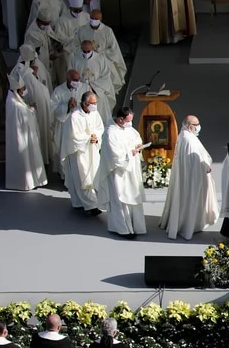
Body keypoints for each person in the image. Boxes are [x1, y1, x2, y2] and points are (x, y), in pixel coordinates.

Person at [159, 116, 219, 240]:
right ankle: (190, 225)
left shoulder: (184, 135)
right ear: (190, 126)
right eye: (196, 124)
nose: (198, 126)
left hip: (186, 176)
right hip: (193, 177)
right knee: (191, 199)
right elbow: (194, 162)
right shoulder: (188, 140)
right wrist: (206, 168)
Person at [96, 106, 147, 238]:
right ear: (120, 119)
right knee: (120, 199)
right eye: (128, 120)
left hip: (131, 171)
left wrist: (138, 146)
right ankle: (123, 229)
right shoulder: (110, 133)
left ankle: (136, 226)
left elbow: (136, 138)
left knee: (133, 196)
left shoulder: (127, 128)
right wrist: (131, 153)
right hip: (119, 173)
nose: (130, 123)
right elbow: (115, 155)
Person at [60, 91, 104, 215]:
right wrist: (88, 138)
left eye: (96, 103)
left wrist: (96, 137)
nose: (95, 105)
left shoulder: (95, 113)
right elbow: (74, 136)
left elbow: (100, 127)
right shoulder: (74, 116)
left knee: (93, 174)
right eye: (92, 103)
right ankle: (91, 205)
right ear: (85, 103)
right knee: (82, 177)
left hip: (92, 150)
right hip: (79, 152)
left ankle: (81, 202)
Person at [5, 74, 49, 191]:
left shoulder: (11, 98)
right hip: (22, 137)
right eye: (23, 89)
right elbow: (26, 118)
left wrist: (28, 108)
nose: (25, 90)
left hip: (19, 135)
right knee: (26, 159)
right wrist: (32, 110)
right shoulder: (16, 105)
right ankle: (26, 182)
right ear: (17, 90)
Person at [10, 46, 54, 167]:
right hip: (32, 109)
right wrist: (31, 108)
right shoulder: (25, 73)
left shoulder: (26, 71)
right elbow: (30, 92)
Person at [50, 70, 90, 177]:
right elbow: (52, 107)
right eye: (74, 80)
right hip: (64, 124)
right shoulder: (58, 90)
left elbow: (90, 103)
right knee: (64, 148)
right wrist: (66, 106)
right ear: (68, 79)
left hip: (80, 124)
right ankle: (64, 175)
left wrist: (80, 105)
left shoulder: (85, 88)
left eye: (78, 80)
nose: (77, 82)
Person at [69, 38, 117, 119]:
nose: (86, 53)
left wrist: (92, 86)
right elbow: (70, 75)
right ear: (81, 49)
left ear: (92, 49)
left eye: (88, 51)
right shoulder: (75, 59)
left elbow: (106, 76)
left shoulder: (101, 59)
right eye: (84, 51)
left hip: (97, 92)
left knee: (100, 116)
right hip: (81, 92)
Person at [77, 11, 127, 88]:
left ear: (100, 19)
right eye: (92, 18)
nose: (93, 20)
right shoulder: (82, 30)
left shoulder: (107, 31)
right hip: (86, 59)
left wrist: (101, 52)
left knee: (107, 80)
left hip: (103, 58)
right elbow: (76, 45)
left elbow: (113, 48)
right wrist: (86, 51)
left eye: (96, 18)